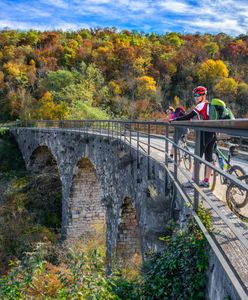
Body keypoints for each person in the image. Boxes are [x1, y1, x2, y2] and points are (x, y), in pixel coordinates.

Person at [171, 86, 216, 187]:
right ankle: (206, 181)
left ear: (203, 95)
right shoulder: (209, 105)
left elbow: (188, 116)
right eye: (195, 95)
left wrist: (174, 120)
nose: (196, 97)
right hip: (212, 133)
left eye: (198, 95)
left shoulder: (201, 105)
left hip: (204, 133)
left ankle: (193, 181)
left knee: (197, 157)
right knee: (208, 158)